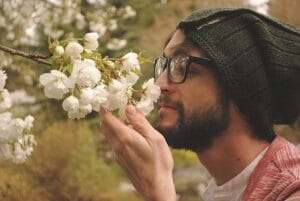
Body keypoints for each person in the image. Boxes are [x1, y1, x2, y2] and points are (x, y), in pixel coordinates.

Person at [100, 8, 300, 201]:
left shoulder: (291, 190)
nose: (159, 84)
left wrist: (159, 193)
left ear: (239, 86)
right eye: (165, 65)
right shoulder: (221, 190)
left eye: (181, 65)